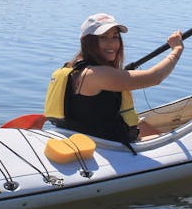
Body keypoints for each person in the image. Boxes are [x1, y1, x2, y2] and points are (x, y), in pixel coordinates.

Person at [44, 13, 183, 145]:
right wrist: (176, 50)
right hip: (109, 146)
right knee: (175, 139)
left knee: (142, 125)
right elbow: (154, 78)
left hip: (83, 135)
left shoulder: (72, 68)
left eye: (115, 37)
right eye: (103, 38)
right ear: (87, 41)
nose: (111, 44)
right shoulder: (97, 74)